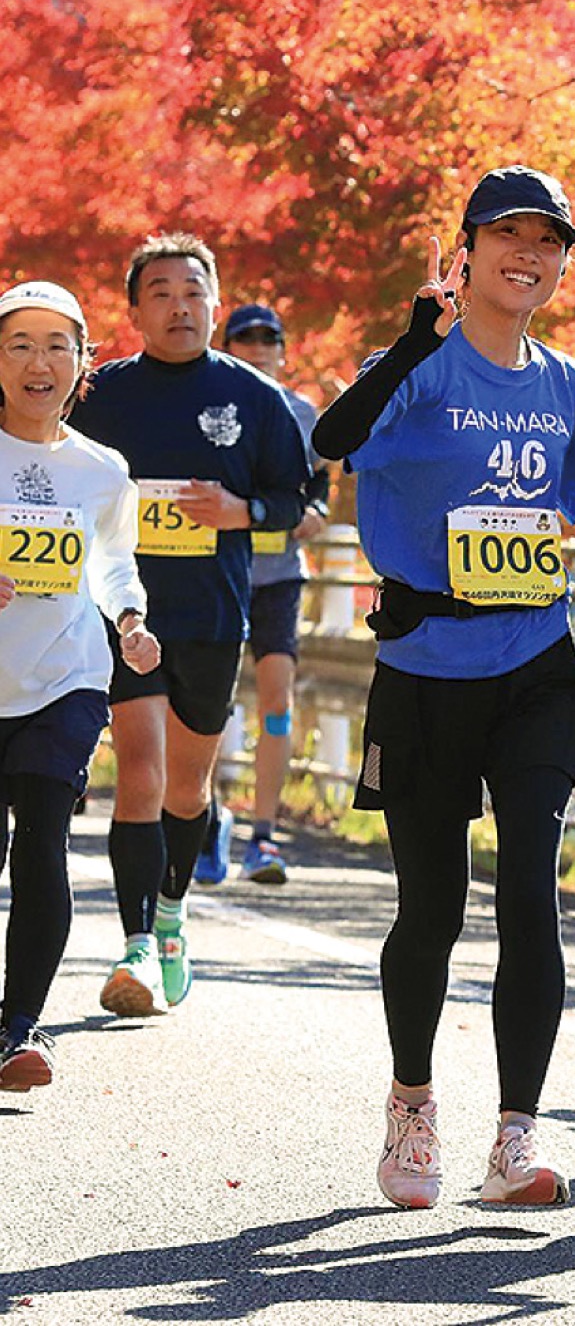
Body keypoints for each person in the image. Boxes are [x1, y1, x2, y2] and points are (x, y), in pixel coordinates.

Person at [312, 166, 575, 1210]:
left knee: (531, 889)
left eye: (549, 240)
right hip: (424, 671)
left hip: (535, 668)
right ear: (468, 249)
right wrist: (408, 346)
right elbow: (332, 442)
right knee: (431, 908)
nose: (529, 254)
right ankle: (412, 1104)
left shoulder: (566, 385)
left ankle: (516, 1136)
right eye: (509, 234)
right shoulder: (417, 364)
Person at [70, 234, 310, 1017]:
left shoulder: (253, 397)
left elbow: (299, 498)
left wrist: (245, 510)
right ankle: (137, 942)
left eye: (193, 292)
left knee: (186, 783)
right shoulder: (96, 394)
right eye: (161, 294)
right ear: (135, 311)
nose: (180, 307)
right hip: (125, 614)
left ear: (214, 302)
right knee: (139, 771)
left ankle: (172, 912)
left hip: (212, 613)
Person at [0, 281, 160, 1090]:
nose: (40, 362)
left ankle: (17, 1030)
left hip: (67, 678)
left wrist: (130, 620)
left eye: (57, 345)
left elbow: (112, 563)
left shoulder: (102, 470)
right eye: (20, 344)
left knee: (41, 842)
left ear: (82, 362)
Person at [191, 303, 326, 886]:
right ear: (226, 349)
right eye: (244, 338)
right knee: (208, 706)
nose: (258, 348)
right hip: (214, 571)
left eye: (269, 339)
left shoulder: (301, 413)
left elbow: (317, 483)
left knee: (276, 700)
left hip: (278, 577)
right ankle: (207, 819)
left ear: (283, 351)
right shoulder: (208, 406)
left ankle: (264, 834)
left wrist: (316, 513)